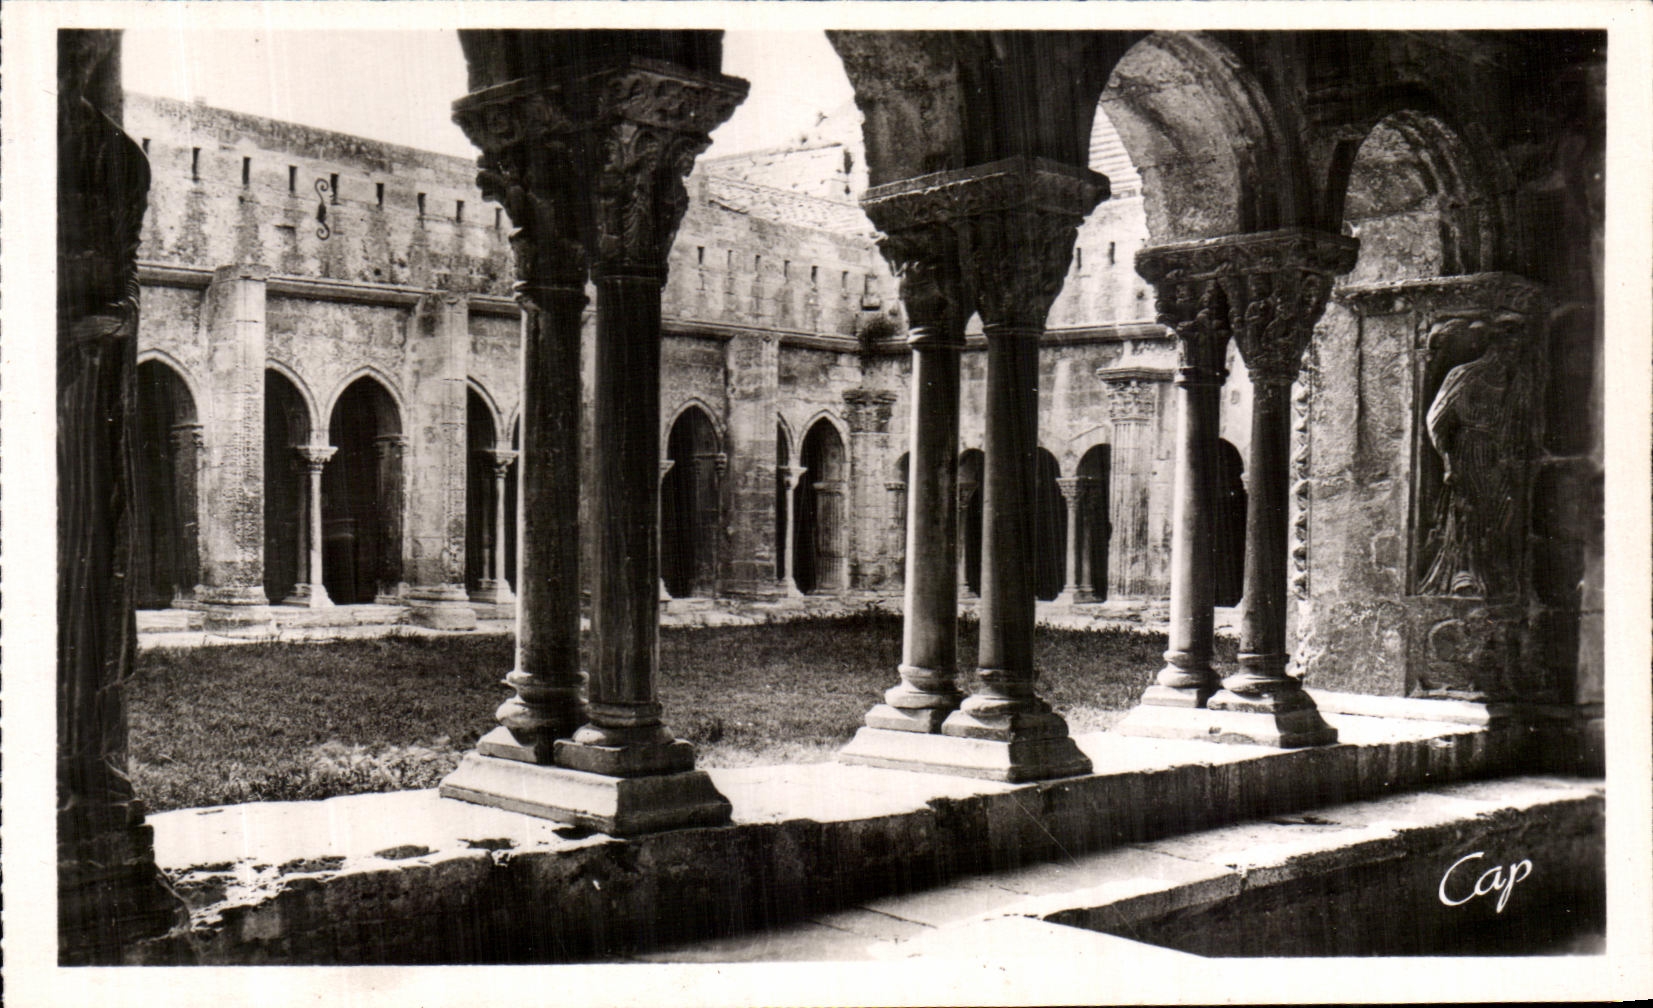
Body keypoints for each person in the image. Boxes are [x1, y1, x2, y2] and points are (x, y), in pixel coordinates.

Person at [1418, 312, 1530, 598]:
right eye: (1509, 345)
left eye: (1517, 347)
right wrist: (1447, 461)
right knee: (1467, 511)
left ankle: (1490, 573)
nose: (1513, 352)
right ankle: (1462, 573)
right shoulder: (1465, 375)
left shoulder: (1512, 380)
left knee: (1496, 511)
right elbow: (1436, 420)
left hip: (1494, 454)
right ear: (1495, 346)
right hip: (1466, 451)